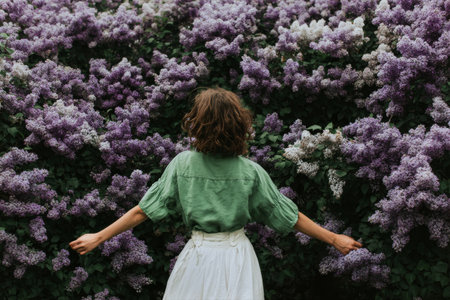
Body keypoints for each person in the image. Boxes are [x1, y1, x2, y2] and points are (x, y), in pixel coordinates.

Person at [69, 86, 363, 299]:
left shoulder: (182, 165)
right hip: (237, 260)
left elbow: (141, 211)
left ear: (198, 123)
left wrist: (99, 236)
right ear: (239, 125)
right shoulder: (250, 171)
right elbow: (289, 216)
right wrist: (334, 238)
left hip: (198, 258)